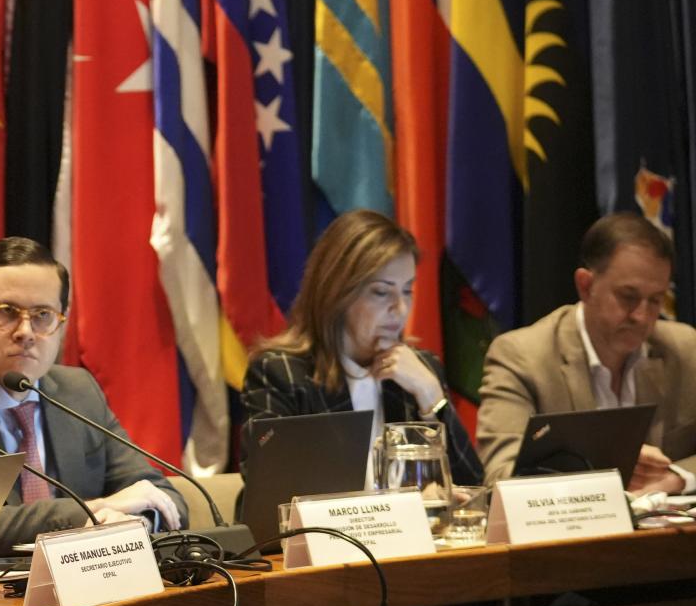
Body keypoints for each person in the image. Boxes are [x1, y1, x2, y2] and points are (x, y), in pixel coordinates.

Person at [0, 237, 187, 548]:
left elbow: (160, 495)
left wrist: (137, 522)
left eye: (42, 315)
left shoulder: (79, 393)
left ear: (61, 320)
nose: (26, 332)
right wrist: (93, 512)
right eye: (7, 312)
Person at [242, 209, 483, 485]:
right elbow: (269, 488)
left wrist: (432, 397)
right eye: (382, 292)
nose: (400, 309)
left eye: (407, 290)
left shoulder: (419, 370)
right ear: (337, 293)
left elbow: (474, 487)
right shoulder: (280, 373)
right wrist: (406, 504)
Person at [477, 212, 696, 490]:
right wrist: (610, 465)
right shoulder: (521, 358)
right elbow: (500, 477)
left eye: (655, 300)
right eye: (628, 297)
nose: (642, 316)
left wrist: (675, 478)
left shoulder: (685, 349)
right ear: (586, 285)